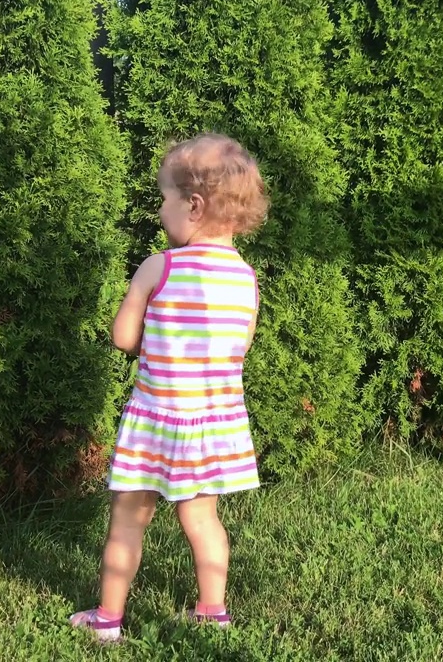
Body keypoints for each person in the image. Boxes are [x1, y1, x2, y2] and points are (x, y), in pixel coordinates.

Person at [69, 133, 269, 643]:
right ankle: (212, 611)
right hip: (212, 424)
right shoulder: (247, 280)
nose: (161, 210)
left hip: (156, 418)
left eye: (164, 198)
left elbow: (122, 337)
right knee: (202, 519)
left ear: (194, 206)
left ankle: (108, 621)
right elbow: (237, 349)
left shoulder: (161, 265)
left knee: (128, 519)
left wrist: (152, 340)